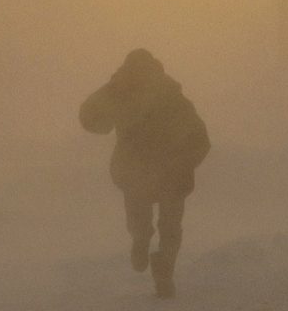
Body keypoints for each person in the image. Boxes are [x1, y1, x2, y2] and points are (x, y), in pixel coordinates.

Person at [79, 49, 210, 298]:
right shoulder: (172, 96)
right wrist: (186, 163)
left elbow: (89, 117)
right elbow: (201, 139)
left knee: (140, 219)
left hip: (136, 172)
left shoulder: (121, 92)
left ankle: (141, 241)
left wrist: (111, 90)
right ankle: (164, 273)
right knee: (171, 228)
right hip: (170, 173)